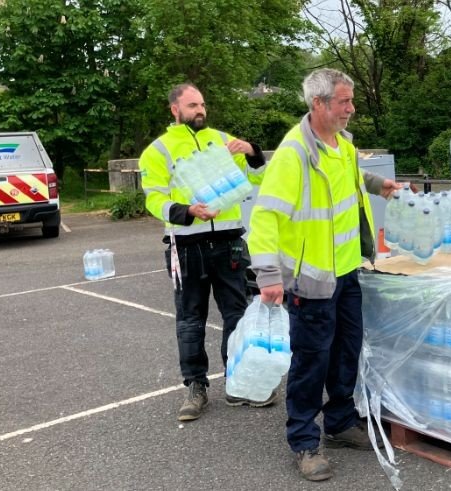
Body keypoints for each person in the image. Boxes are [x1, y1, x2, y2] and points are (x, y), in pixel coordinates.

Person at [248, 68, 403, 482]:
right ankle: (303, 440)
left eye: (351, 101)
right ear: (318, 104)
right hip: (312, 279)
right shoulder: (294, 153)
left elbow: (349, 179)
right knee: (311, 361)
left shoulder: (342, 145)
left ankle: (338, 423)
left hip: (348, 270)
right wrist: (267, 275)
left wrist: (377, 184)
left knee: (345, 351)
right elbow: (264, 216)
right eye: (344, 102)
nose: (351, 109)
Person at [139, 83, 275, 422]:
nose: (200, 110)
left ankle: (237, 381)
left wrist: (254, 153)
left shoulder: (223, 139)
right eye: (192, 105)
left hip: (228, 242)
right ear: (175, 110)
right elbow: (153, 199)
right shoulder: (159, 151)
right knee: (190, 320)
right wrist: (187, 211)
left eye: (202, 104)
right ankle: (195, 387)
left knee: (237, 315)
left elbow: (260, 180)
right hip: (186, 246)